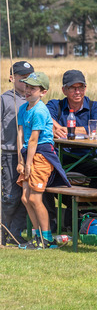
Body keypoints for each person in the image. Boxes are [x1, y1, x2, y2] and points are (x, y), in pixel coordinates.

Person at [16, 72, 70, 248]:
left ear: (43, 92)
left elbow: (34, 139)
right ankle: (36, 235)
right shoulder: (23, 108)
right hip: (27, 154)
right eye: (27, 86)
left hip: (41, 155)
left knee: (35, 198)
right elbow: (20, 135)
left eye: (33, 88)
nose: (28, 90)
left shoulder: (40, 110)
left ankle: (46, 238)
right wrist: (20, 160)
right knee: (25, 198)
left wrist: (29, 164)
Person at [46, 69, 97, 192]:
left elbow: (96, 128)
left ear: (85, 88)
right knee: (43, 173)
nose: (77, 92)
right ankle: (71, 209)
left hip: (87, 157)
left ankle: (93, 209)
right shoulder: (55, 105)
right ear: (64, 90)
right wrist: (52, 127)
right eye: (72, 88)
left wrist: (64, 129)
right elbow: (44, 117)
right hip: (61, 157)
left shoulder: (95, 106)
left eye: (81, 87)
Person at [2, 61, 34, 245]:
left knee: (25, 195)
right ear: (12, 78)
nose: (25, 83)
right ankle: (3, 229)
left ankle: (15, 232)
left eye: (29, 79)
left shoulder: (34, 100)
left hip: (29, 155)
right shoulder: (5, 99)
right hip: (9, 154)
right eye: (22, 78)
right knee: (10, 196)